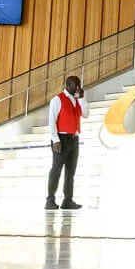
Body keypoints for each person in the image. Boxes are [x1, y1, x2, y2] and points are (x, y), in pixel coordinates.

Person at [45, 74, 85, 211]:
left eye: (79, 85)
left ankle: (68, 200)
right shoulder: (57, 100)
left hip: (74, 139)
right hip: (61, 139)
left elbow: (86, 114)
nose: (78, 88)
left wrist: (82, 99)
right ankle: (50, 200)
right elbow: (52, 120)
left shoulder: (77, 100)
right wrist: (55, 139)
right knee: (56, 170)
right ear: (68, 85)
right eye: (75, 85)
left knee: (70, 171)